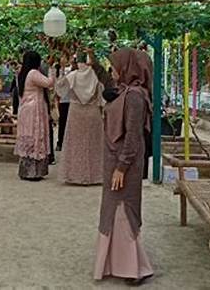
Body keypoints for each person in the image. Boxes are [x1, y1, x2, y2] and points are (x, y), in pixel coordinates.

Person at [94, 48, 154, 285]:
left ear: (128, 68)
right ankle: (118, 264)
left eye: (116, 65)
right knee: (113, 210)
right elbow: (107, 81)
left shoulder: (135, 96)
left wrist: (122, 166)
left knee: (123, 211)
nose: (113, 70)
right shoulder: (124, 91)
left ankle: (134, 268)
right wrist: (93, 62)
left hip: (125, 164)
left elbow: (133, 136)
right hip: (116, 161)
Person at [56, 51, 104, 185]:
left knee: (76, 144)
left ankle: (75, 175)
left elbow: (59, 88)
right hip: (93, 112)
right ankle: (95, 175)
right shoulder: (95, 76)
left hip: (76, 113)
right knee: (94, 144)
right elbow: (101, 96)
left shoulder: (73, 75)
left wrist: (62, 70)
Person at [14, 50, 55, 180]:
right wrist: (51, 68)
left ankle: (25, 171)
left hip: (25, 109)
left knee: (28, 136)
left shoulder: (22, 73)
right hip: (34, 110)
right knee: (36, 136)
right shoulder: (33, 73)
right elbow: (49, 83)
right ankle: (34, 172)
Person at [55, 56, 77, 151]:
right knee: (63, 122)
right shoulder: (59, 71)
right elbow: (59, 85)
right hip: (64, 101)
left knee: (72, 123)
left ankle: (70, 143)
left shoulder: (75, 72)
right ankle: (60, 143)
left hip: (73, 101)